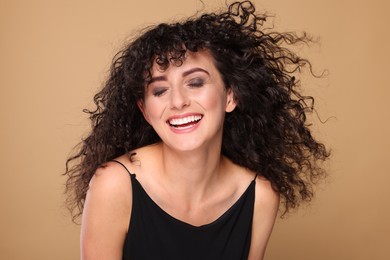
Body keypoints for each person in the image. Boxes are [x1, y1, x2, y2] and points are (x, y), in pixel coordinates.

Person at [64, 1, 330, 259]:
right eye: (159, 90)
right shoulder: (113, 184)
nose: (178, 101)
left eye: (195, 82)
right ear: (145, 111)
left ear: (230, 96)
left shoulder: (260, 195)